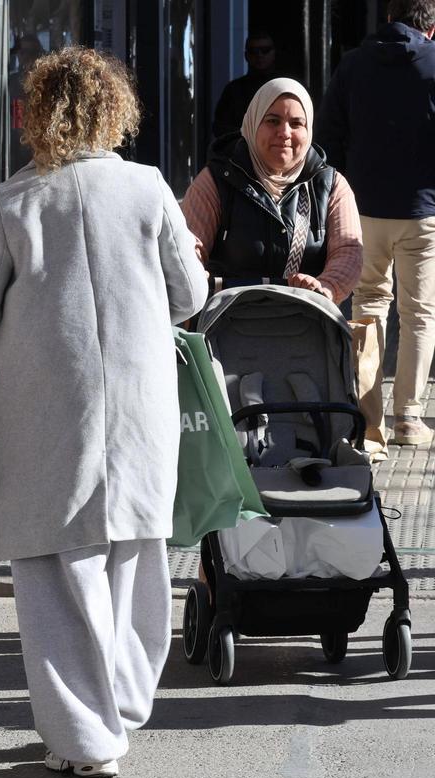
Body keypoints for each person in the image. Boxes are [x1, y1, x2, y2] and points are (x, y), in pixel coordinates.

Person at [0, 47, 206, 778]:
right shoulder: (150, 189)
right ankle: (117, 705)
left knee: (55, 570)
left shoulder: (10, 202)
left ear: (36, 115)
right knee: (134, 555)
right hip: (139, 404)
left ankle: (85, 738)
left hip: (41, 410)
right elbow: (191, 297)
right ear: (114, 111)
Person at [316, 0, 435, 447]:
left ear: (388, 17)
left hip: (363, 208)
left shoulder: (352, 66)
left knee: (367, 305)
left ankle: (369, 422)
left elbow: (328, 136)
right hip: (422, 211)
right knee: (419, 312)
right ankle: (408, 417)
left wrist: (346, 186)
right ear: (432, 27)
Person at [182, 78, 363, 305]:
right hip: (227, 326)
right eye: (273, 121)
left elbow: (348, 250)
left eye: (297, 123)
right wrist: (196, 276)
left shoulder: (331, 185)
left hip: (306, 323)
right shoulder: (215, 180)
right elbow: (188, 249)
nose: (284, 133)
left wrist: (324, 288)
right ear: (253, 123)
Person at [212, 31, 280, 140]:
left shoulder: (286, 87)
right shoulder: (233, 90)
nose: (259, 55)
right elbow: (221, 128)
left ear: (274, 53)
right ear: (246, 55)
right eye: (254, 51)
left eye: (265, 50)